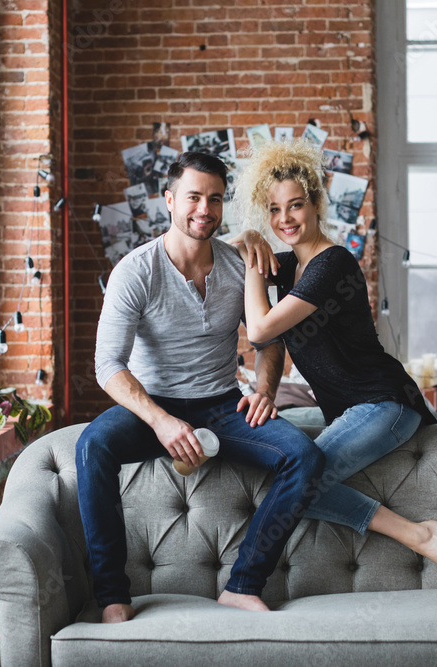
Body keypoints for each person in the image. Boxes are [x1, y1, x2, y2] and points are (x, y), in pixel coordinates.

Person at [77, 151, 325, 624]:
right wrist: (162, 421)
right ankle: (111, 594)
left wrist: (265, 390)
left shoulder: (240, 265)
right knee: (92, 446)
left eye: (214, 199)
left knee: (305, 456)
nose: (204, 209)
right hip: (151, 406)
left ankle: (244, 584)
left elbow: (269, 341)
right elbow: (107, 365)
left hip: (221, 404)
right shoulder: (135, 270)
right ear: (169, 201)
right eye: (193, 197)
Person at [230, 140, 437, 587]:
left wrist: (252, 261)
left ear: (317, 204)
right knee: (290, 483)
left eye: (296, 205)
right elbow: (216, 256)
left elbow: (262, 329)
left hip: (386, 404)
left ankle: (420, 536)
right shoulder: (287, 267)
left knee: (296, 483)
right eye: (273, 209)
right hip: (352, 411)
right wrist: (247, 239)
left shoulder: (333, 264)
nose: (284, 219)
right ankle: (420, 534)